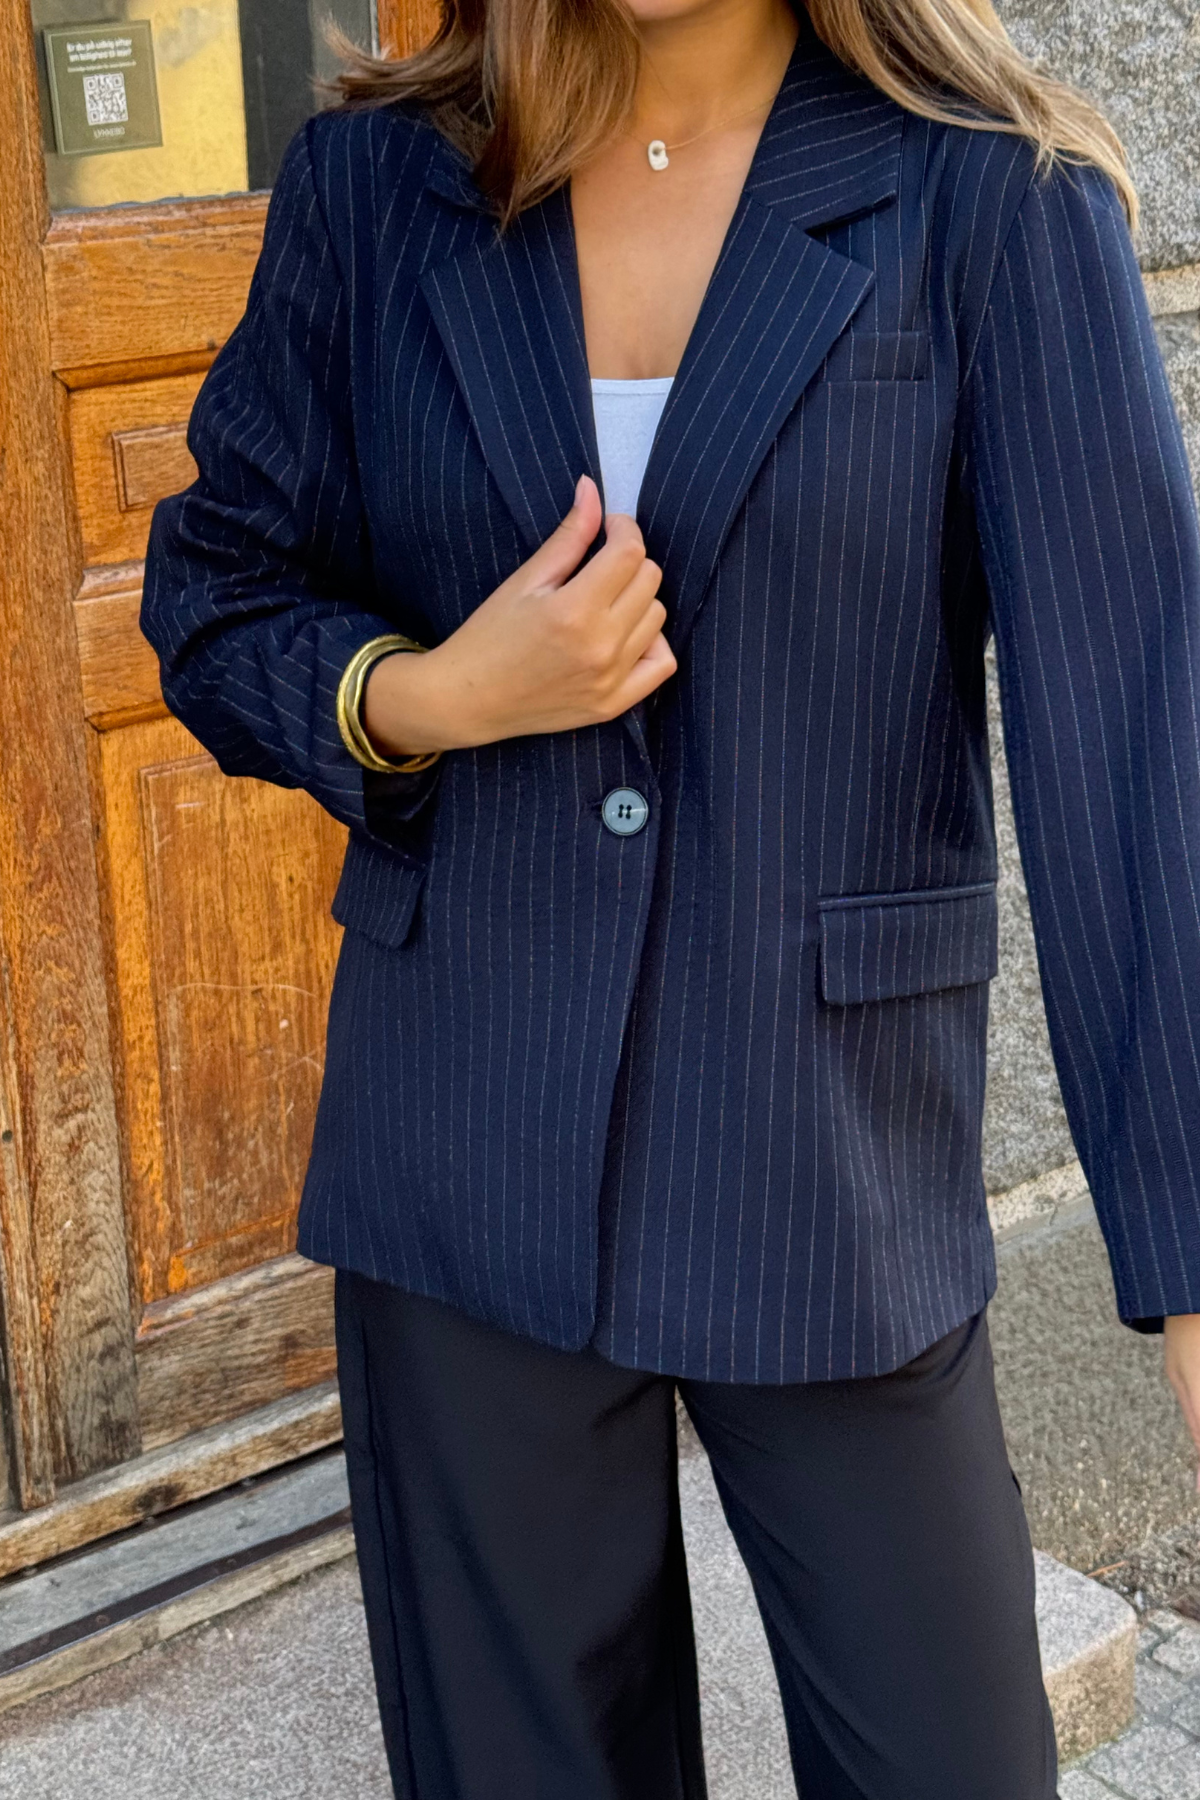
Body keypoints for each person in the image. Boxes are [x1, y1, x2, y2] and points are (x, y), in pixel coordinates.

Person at [141, 0, 1200, 1793]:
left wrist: (1189, 1272)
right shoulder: (375, 187)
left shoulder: (996, 205)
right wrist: (432, 694)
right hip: (461, 1161)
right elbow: (215, 592)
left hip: (827, 1180)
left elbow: (1136, 748)